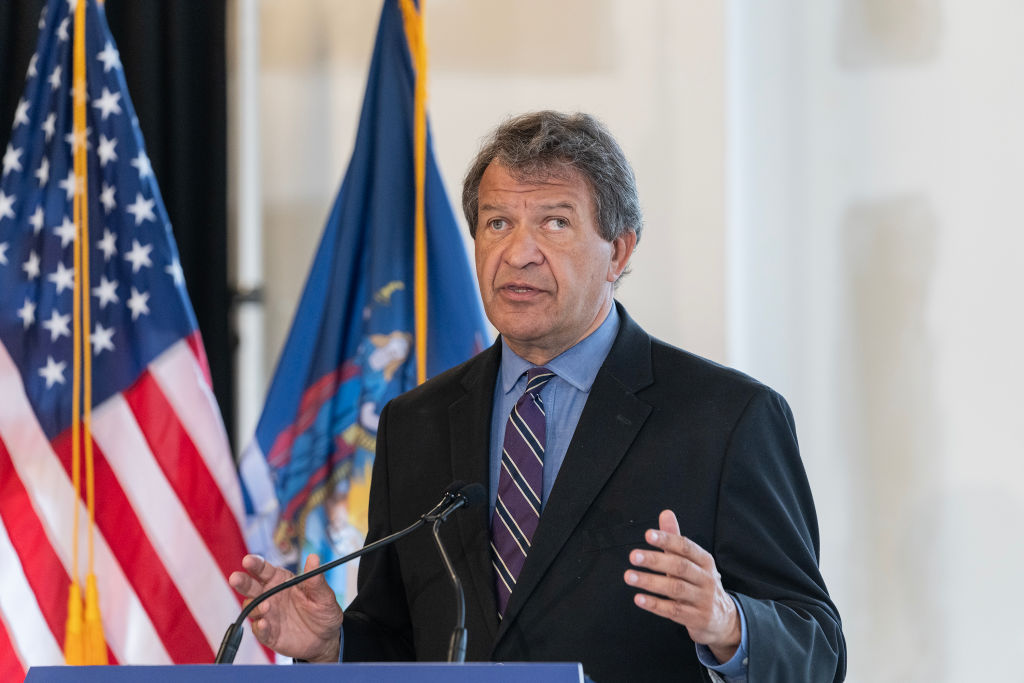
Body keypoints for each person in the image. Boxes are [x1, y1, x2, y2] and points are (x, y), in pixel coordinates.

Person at [229, 111, 846, 682]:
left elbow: (817, 650)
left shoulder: (726, 419)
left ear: (619, 251)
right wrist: (336, 646)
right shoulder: (413, 422)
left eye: (555, 222)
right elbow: (408, 644)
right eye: (498, 223)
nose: (518, 254)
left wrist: (728, 623)